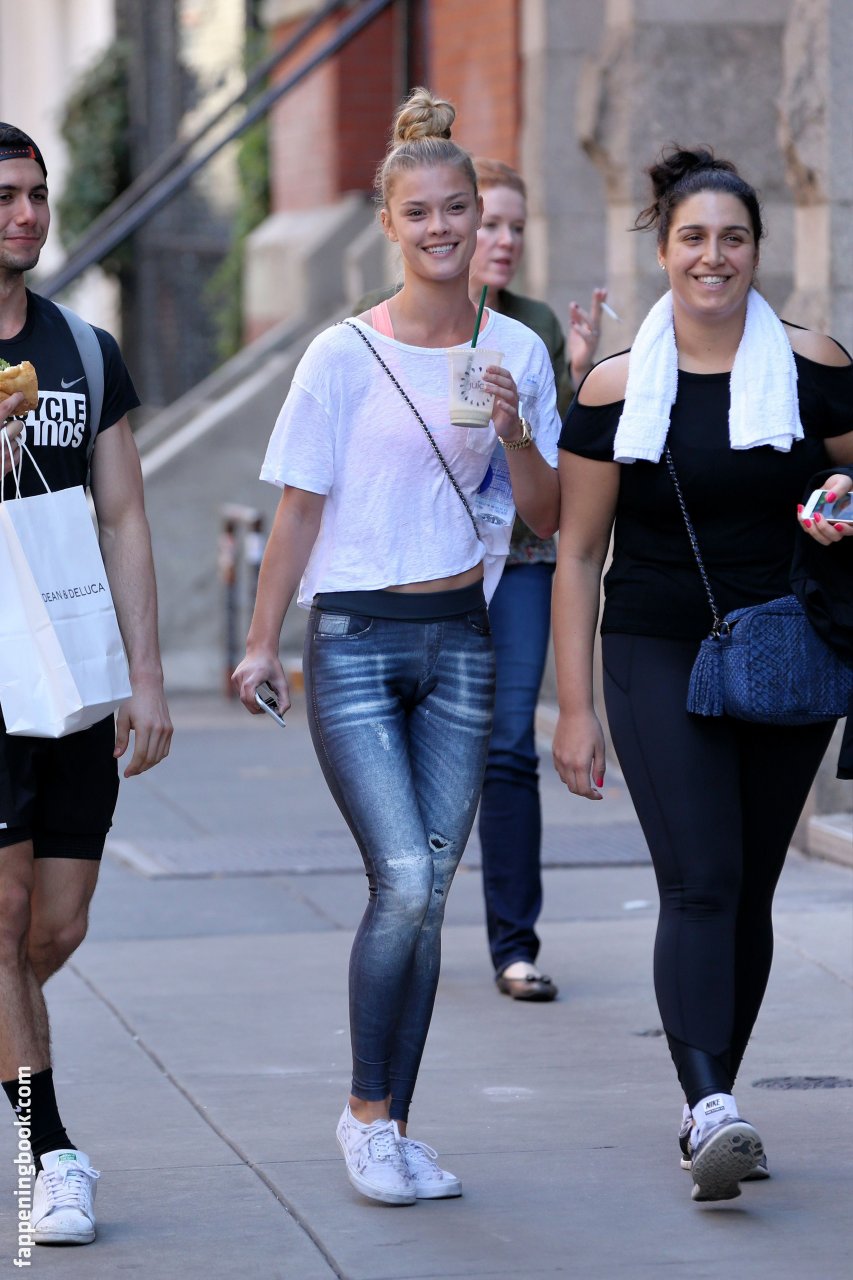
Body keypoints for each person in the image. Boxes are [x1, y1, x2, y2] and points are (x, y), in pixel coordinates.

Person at [232, 88, 560, 1207]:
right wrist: (260, 644)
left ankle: (396, 1126)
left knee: (426, 892)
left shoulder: (515, 349)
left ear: (480, 216)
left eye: (456, 209)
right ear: (388, 223)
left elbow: (545, 517)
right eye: (418, 212)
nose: (441, 228)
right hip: (357, 639)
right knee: (407, 877)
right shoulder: (339, 355)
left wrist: (515, 431)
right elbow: (298, 510)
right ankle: (367, 1115)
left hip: (461, 638)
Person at [551, 145, 853, 1203]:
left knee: (750, 886)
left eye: (732, 238)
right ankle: (709, 1106)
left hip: (783, 648)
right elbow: (577, 552)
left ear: (757, 251)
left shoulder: (813, 364)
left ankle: (714, 1101)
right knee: (702, 878)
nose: (711, 257)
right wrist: (574, 708)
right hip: (654, 645)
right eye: (692, 238)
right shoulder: (615, 386)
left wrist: (839, 502)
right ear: (662, 251)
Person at [357, 158, 606, 1001]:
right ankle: (407, 912)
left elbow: (559, 464)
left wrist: (576, 376)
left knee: (505, 747)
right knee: (410, 751)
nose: (497, 239)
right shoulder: (385, 323)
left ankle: (513, 944)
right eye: (487, 220)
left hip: (524, 561)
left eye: (511, 226)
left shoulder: (531, 327)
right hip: (427, 567)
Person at [0, 124, 172, 1246]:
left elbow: (124, 516)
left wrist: (145, 677)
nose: (27, 213)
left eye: (36, 193)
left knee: (53, 928)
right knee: (4, 918)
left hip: (67, 672)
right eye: (5, 196)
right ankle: (48, 1151)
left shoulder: (83, 349)